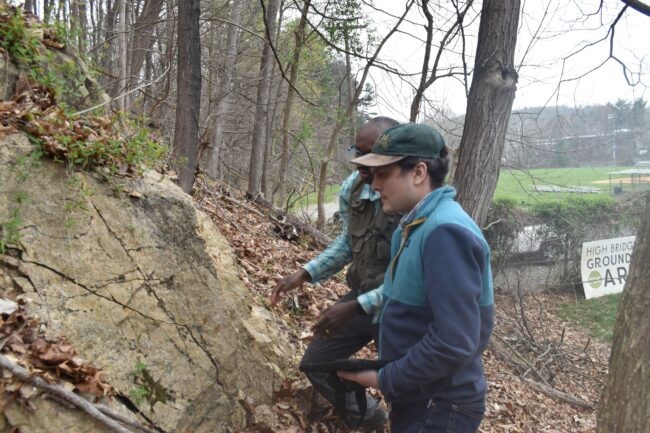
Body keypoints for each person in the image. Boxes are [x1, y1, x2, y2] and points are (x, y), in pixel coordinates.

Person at [339, 123, 495, 433]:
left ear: (419, 172)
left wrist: (388, 378)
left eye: (383, 173)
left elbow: (454, 340)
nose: (375, 184)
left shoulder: (444, 232)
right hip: (421, 398)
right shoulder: (413, 227)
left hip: (440, 406)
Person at [270, 117, 400, 429]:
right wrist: (303, 274)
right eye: (359, 155)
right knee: (316, 363)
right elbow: (347, 243)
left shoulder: (407, 200)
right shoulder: (352, 190)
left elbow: (411, 278)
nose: (363, 168)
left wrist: (355, 306)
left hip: (399, 310)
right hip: (361, 300)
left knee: (400, 386)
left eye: (373, 161)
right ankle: (367, 417)